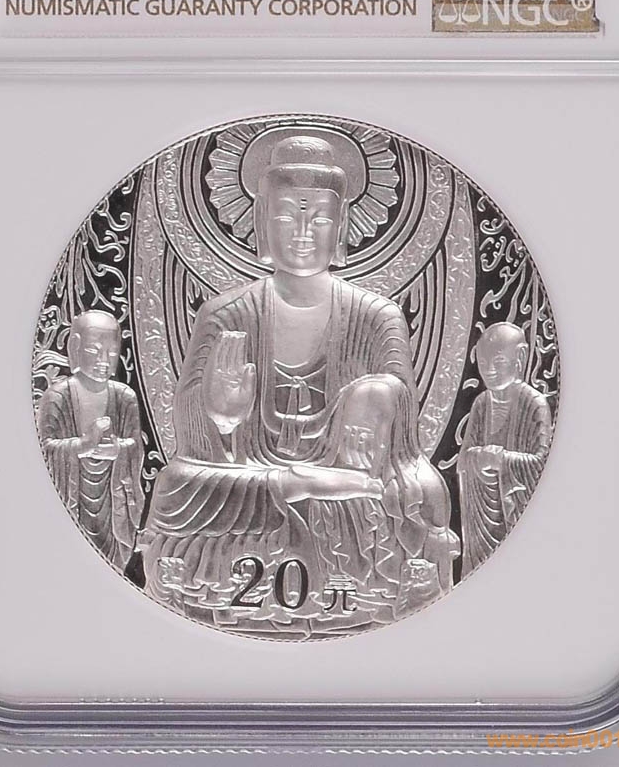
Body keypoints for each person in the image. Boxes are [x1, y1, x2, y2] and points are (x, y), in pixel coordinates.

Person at [140, 133, 456, 632]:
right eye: (287, 216)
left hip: (351, 473)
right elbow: (192, 435)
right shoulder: (225, 313)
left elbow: (402, 432)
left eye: (320, 218)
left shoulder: (377, 316)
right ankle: (303, 497)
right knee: (176, 484)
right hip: (248, 477)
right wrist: (223, 419)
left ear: (341, 225)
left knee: (419, 491)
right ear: (262, 221)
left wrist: (371, 405)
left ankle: (322, 510)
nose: (304, 232)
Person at [38, 310, 144, 570]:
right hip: (72, 499)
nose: (103, 360)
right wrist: (83, 446)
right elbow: (45, 449)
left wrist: (118, 450)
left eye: (111, 352)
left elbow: (136, 446)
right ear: (75, 347)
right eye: (93, 350)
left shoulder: (124, 397)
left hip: (113, 501)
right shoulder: (58, 396)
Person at [458, 322, 553, 576]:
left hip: (516, 511)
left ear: (519, 357)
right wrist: (478, 457)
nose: (489, 370)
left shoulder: (534, 403)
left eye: (498, 362)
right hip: (483, 520)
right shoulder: (481, 404)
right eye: (483, 362)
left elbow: (543, 463)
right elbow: (463, 460)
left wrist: (501, 460)